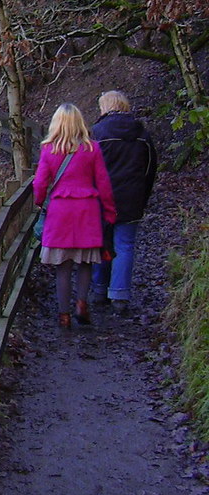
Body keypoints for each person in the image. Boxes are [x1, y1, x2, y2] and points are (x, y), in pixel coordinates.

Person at [33, 103, 117, 328]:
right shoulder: (92, 149)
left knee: (63, 266)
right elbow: (104, 183)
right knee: (86, 261)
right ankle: (81, 304)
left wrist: (39, 202)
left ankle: (64, 316)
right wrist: (109, 211)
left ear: (56, 123)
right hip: (87, 212)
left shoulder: (49, 149)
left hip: (60, 213)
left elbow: (40, 183)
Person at [91, 91, 158, 315]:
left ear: (106, 107)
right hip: (131, 198)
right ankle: (119, 295)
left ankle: (99, 290)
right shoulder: (141, 134)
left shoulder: (98, 133)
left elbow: (89, 167)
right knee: (125, 246)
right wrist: (142, 196)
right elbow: (150, 169)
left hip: (103, 199)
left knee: (102, 243)